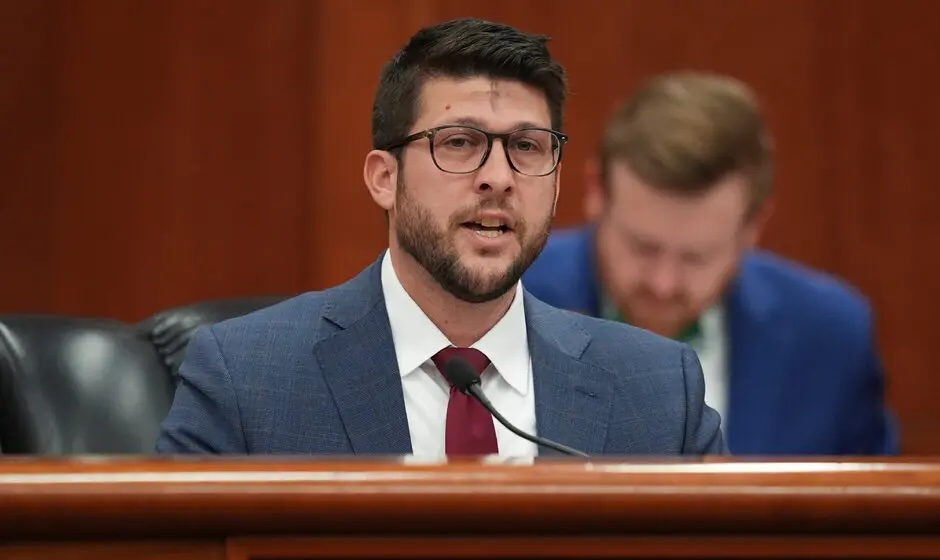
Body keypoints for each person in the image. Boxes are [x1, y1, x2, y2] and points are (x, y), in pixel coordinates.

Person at [156, 18, 724, 460]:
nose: (499, 177)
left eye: (527, 147)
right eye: (459, 142)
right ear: (385, 178)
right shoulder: (246, 378)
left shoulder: (657, 390)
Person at [523, 72, 898, 456]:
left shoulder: (829, 336)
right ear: (595, 193)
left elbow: (876, 494)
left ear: (753, 227)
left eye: (697, 257)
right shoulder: (509, 301)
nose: (663, 283)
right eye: (642, 247)